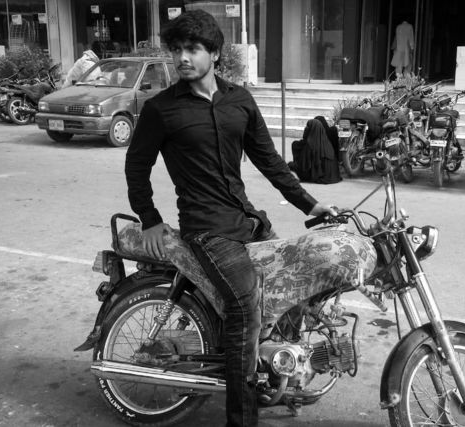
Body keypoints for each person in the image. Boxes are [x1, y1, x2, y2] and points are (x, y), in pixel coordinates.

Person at [124, 10, 335, 427]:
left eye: (192, 49)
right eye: (177, 50)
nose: (182, 58)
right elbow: (137, 166)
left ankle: (278, 374)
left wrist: (310, 205)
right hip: (207, 231)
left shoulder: (239, 100)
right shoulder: (161, 109)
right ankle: (241, 418)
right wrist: (150, 218)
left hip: (247, 221)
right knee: (244, 309)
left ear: (215, 53)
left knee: (296, 286)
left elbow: (270, 162)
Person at [289, 118, 342, 184]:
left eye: (308, 126)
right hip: (334, 177)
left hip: (319, 177)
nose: (306, 128)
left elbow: (305, 168)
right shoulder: (327, 143)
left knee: (290, 165)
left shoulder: (310, 145)